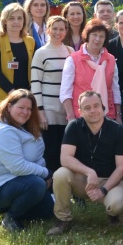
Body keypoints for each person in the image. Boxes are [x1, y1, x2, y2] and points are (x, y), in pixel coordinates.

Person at [47, 91, 123, 236]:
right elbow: (65, 158)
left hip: (109, 181)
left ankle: (112, 213)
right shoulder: (73, 127)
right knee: (60, 174)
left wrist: (103, 190)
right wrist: (89, 172)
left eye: (96, 106)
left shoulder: (118, 130)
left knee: (116, 205)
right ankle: (63, 219)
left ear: (103, 107)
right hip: (82, 180)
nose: (92, 111)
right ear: (80, 112)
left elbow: (122, 167)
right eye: (87, 108)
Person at [0, 89, 54, 232]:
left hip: (16, 181)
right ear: (9, 106)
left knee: (48, 210)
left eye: (29, 109)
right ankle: (11, 218)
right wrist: (46, 174)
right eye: (21, 107)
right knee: (36, 185)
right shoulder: (2, 131)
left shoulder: (22, 127)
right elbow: (18, 167)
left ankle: (1, 209)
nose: (25, 112)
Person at [30, 15, 75, 173]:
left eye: (61, 29)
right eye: (54, 28)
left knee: (67, 149)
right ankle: (50, 187)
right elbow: (36, 83)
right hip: (48, 110)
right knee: (50, 149)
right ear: (48, 30)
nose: (58, 32)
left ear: (66, 31)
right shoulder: (40, 53)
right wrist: (40, 111)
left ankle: (66, 184)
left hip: (67, 110)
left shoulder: (71, 51)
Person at [60, 18, 122, 124]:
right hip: (80, 117)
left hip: (107, 117)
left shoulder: (111, 60)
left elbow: (115, 89)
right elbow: (65, 92)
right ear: (87, 35)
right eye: (94, 35)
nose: (97, 39)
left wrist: (118, 116)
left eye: (101, 36)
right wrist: (71, 118)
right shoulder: (73, 59)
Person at [0, 2, 35, 130]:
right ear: (5, 21)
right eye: (11, 18)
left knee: (24, 132)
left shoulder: (30, 41)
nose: (16, 22)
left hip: (25, 95)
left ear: (24, 21)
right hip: (2, 94)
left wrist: (25, 94)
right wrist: (13, 93)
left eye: (19, 18)